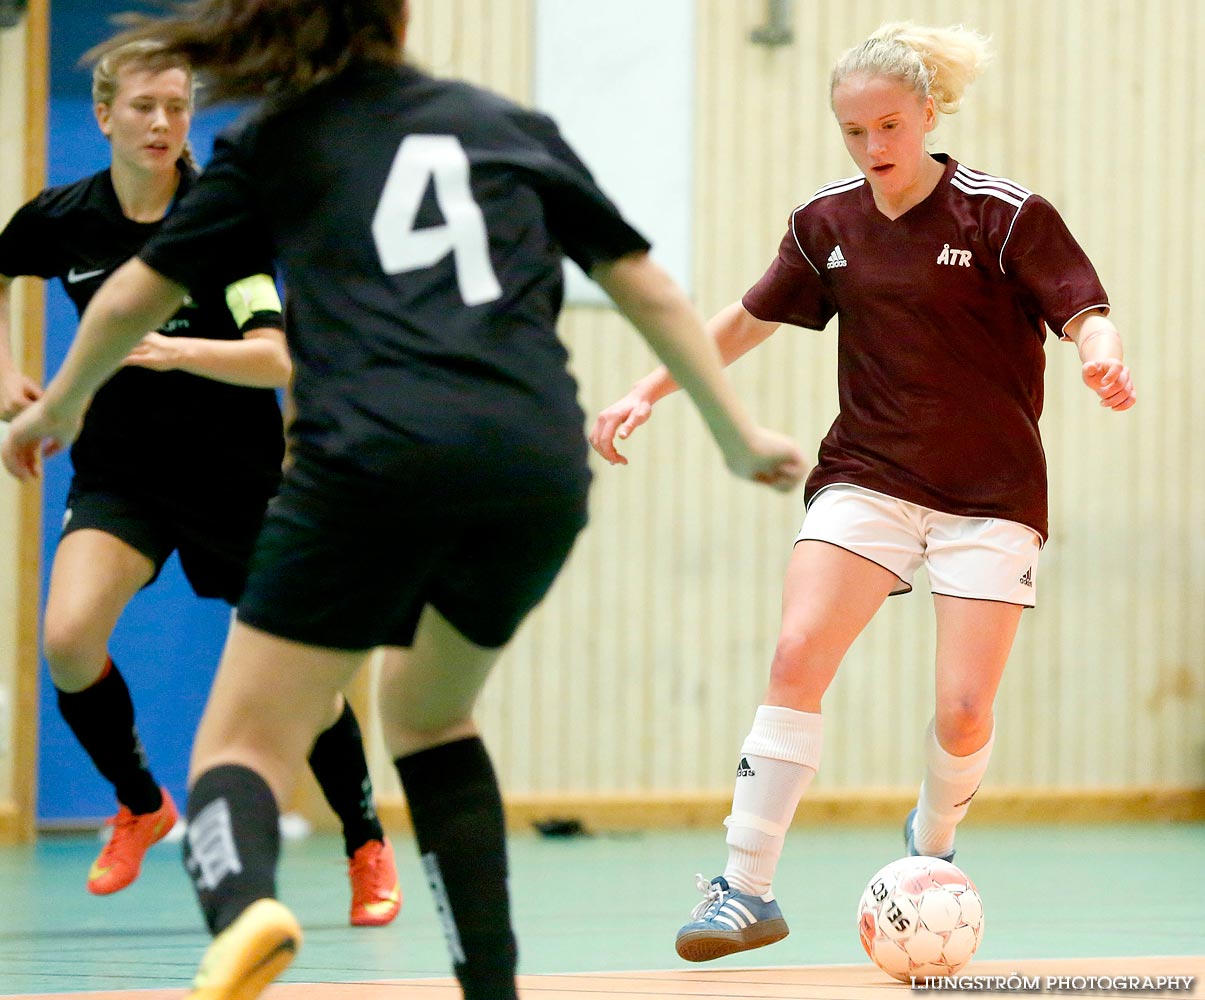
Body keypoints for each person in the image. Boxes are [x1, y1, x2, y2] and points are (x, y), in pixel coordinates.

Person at [1, 2, 806, 998]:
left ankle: (247, 905)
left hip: (373, 457)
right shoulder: (507, 122)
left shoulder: (277, 141)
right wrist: (735, 436)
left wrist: (57, 408)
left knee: (242, 745)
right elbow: (645, 285)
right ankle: (488, 985)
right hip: (533, 465)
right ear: (401, 17)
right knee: (427, 714)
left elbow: (128, 299)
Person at [590, 22, 1136, 963]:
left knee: (964, 711)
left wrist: (1101, 356)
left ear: (927, 112)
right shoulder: (826, 224)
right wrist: (647, 389)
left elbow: (1080, 304)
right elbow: (747, 318)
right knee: (797, 649)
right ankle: (742, 888)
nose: (873, 147)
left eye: (887, 125)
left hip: (991, 494)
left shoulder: (1001, 214)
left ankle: (928, 850)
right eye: (853, 131)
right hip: (867, 475)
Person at [0, 38, 401, 927]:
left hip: (238, 484)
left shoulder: (222, 224)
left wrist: (173, 349)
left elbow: (274, 360)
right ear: (105, 116)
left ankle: (364, 841)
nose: (162, 123)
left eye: (177, 107)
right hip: (122, 478)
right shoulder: (64, 218)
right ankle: (141, 805)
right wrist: (6, 377)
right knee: (67, 637)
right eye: (144, 106)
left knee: (307, 683)